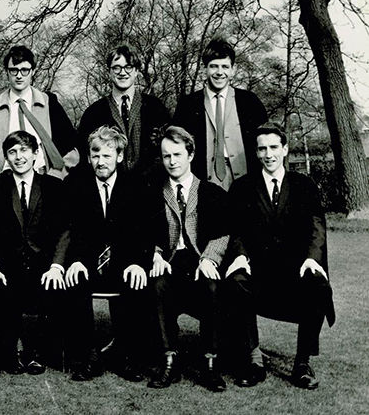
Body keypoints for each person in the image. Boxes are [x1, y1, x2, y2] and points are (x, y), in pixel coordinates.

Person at [224, 123, 335, 390]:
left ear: (284, 149)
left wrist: (312, 258)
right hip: (259, 273)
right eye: (262, 148)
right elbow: (235, 230)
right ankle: (253, 360)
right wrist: (239, 256)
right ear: (256, 152)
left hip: (292, 272)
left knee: (318, 284)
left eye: (274, 147)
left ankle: (302, 364)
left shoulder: (304, 185)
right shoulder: (242, 187)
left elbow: (316, 226)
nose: (268, 154)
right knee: (236, 280)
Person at [64, 125, 151, 382]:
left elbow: (143, 231)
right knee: (75, 280)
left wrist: (137, 262)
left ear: (120, 157)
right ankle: (88, 355)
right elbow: (70, 230)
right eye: (96, 155)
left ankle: (126, 355)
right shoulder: (75, 184)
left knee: (136, 282)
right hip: (88, 260)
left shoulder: (136, 185)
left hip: (123, 260)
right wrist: (76, 261)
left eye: (107, 155)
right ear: (89, 156)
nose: (101, 162)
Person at [145, 126, 229, 392]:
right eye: (166, 156)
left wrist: (209, 259)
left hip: (199, 262)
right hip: (170, 263)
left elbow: (223, 233)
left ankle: (210, 364)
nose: (172, 161)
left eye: (178, 154)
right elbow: (144, 234)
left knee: (213, 287)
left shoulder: (212, 193)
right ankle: (169, 360)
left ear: (190, 154)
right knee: (158, 286)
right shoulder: (152, 194)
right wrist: (156, 255)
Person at [0, 131, 70, 375]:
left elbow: (64, 231)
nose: (19, 157)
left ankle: (37, 353)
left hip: (44, 264)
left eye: (24, 150)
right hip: (9, 265)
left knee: (51, 290)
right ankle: (12, 351)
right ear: (6, 158)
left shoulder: (54, 187)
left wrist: (57, 266)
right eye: (12, 152)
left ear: (35, 153)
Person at [0, 45, 79, 181]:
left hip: (44, 181)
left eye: (25, 70)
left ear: (33, 71)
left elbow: (73, 149)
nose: (19, 76)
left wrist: (56, 176)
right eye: (13, 70)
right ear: (7, 72)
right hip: (6, 183)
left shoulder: (49, 103)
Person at [173, 38, 267, 190]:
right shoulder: (188, 105)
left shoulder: (250, 102)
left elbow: (266, 143)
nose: (219, 72)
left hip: (247, 183)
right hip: (202, 183)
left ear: (232, 70)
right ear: (205, 69)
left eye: (225, 66)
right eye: (214, 66)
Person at [77, 45, 169, 180]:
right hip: (111, 190)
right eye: (116, 67)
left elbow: (168, 149)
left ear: (136, 70)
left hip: (152, 188)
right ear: (109, 72)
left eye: (128, 67)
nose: (122, 72)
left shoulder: (155, 107)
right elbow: (85, 157)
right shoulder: (94, 113)